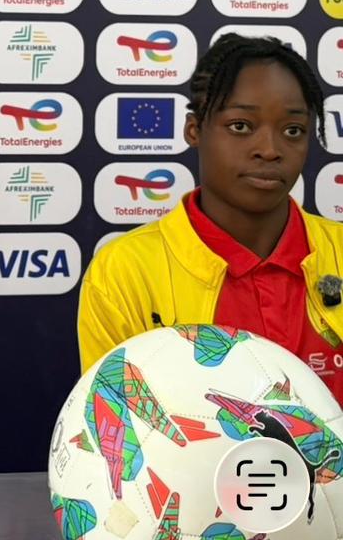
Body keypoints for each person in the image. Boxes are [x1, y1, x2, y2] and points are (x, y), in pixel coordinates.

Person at [78, 33, 343, 399]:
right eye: (241, 126)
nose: (269, 149)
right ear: (194, 130)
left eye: (292, 130)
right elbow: (116, 422)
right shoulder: (124, 273)